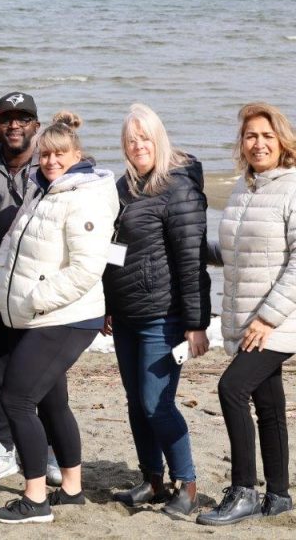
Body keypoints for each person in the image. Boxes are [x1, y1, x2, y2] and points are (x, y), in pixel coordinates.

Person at [0, 111, 117, 524]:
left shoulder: (84, 195)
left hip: (66, 315)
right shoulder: (43, 189)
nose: (51, 160)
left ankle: (35, 499)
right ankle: (73, 488)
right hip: (41, 314)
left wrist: (32, 299)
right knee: (51, 401)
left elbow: (85, 270)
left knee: (17, 398)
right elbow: (15, 243)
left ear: (78, 155)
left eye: (60, 154)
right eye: (45, 154)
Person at [103, 104, 211, 518]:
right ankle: (152, 479)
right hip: (126, 314)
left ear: (159, 140)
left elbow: (191, 260)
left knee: (156, 403)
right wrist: (109, 304)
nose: (137, 146)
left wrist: (196, 324)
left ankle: (188, 485)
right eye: (131, 140)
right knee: (135, 402)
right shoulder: (124, 187)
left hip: (162, 315)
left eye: (144, 138)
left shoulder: (177, 188)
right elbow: (114, 253)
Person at [196, 102, 296, 526]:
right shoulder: (244, 187)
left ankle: (243, 491)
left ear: (283, 142)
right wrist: (194, 250)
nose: (258, 144)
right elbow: (240, 254)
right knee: (267, 401)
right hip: (247, 314)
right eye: (251, 136)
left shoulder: (292, 188)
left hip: (279, 318)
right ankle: (278, 494)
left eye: (267, 136)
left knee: (232, 388)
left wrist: (268, 318)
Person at [0, 91, 44, 485]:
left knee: (44, 374)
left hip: (41, 290)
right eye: (6, 118)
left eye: (22, 118)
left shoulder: (53, 162)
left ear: (36, 124)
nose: (14, 125)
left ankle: (47, 447)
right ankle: (2, 449)